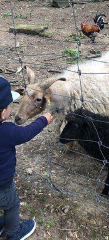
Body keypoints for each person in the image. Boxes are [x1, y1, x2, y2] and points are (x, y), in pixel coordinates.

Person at [0, 76, 53, 240]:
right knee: (12, 206)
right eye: (9, 105)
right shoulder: (7, 131)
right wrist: (44, 120)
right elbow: (26, 133)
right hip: (3, 186)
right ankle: (14, 233)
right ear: (3, 112)